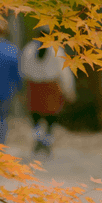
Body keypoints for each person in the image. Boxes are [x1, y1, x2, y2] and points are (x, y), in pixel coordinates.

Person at [20, 26, 76, 154]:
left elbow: (22, 70)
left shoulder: (28, 49)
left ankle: (39, 139)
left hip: (34, 86)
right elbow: (65, 72)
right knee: (51, 118)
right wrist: (69, 89)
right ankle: (47, 142)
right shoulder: (56, 50)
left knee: (35, 116)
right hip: (51, 87)